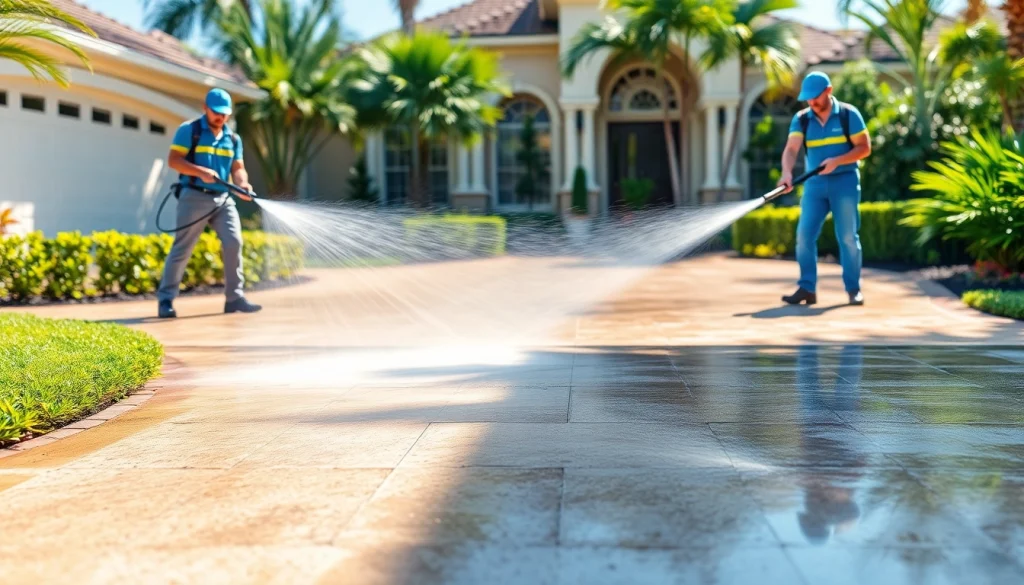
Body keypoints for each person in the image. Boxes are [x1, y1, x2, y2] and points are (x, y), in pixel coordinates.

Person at [156, 88, 262, 318]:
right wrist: (200, 171)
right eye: (216, 112)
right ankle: (166, 300)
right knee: (182, 249)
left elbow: (238, 168)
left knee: (234, 242)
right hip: (193, 196)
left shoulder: (233, 138)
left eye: (225, 114)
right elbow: (174, 160)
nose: (220, 117)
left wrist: (243, 185)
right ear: (205, 108)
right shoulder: (189, 130)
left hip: (223, 199)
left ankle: (234, 298)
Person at [777, 71, 872, 306]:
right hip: (815, 186)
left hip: (845, 182)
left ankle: (853, 289)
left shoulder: (848, 115)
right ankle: (807, 288)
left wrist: (837, 161)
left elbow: (864, 148)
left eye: (815, 97)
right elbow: (791, 149)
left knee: (848, 237)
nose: (811, 102)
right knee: (804, 237)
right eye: (807, 98)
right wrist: (787, 173)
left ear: (828, 91)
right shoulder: (802, 119)